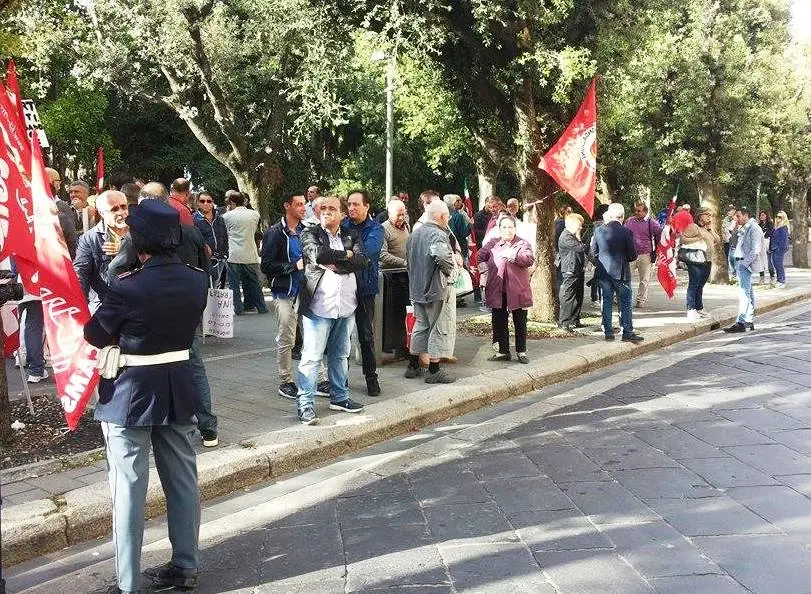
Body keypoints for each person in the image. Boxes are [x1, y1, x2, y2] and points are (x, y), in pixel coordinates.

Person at [84, 199, 208, 594]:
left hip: (131, 393)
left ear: (138, 239)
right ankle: (186, 567)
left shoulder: (126, 285)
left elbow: (95, 334)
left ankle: (128, 582)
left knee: (129, 491)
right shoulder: (195, 278)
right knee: (184, 482)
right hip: (177, 385)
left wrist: (117, 269)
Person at [105, 182, 216, 447]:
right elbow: (205, 268)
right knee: (193, 366)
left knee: (157, 368)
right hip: (187, 310)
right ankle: (207, 426)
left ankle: (161, 424)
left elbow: (114, 273)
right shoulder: (190, 232)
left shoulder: (138, 236)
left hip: (149, 316)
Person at [296, 196, 368, 425]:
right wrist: (346, 256)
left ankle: (340, 397)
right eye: (323, 208)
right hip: (319, 307)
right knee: (312, 357)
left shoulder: (351, 234)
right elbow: (317, 255)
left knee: (340, 355)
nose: (327, 212)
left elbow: (363, 261)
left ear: (342, 214)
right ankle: (305, 404)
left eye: (332, 208)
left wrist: (338, 261)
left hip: (346, 306)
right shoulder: (310, 233)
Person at [261, 194, 312, 400]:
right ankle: (286, 380)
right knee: (286, 336)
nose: (302, 208)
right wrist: (292, 266)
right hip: (283, 291)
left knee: (312, 334)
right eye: (298, 204)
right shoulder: (274, 233)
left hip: (305, 290)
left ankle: (320, 378)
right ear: (287, 206)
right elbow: (266, 266)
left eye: (303, 204)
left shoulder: (305, 230)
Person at [405, 200, 460, 383]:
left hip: (417, 288)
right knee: (438, 326)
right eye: (448, 217)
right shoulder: (438, 234)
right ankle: (434, 370)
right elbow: (443, 257)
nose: (448, 220)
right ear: (442, 216)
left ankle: (413, 365)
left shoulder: (414, 234)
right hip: (435, 289)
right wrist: (449, 270)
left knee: (421, 325)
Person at [340, 190, 384, 396]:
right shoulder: (342, 226)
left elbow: (368, 254)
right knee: (342, 336)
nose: (351, 208)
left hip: (365, 288)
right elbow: (334, 253)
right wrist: (348, 254)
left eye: (356, 204)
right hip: (343, 288)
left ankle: (371, 378)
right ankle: (342, 379)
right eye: (349, 204)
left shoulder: (375, 228)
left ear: (367, 206)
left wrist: (346, 254)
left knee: (366, 335)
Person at [478, 215, 535, 363]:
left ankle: (521, 351)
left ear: (515, 228)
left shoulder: (522, 243)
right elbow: (479, 256)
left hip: (518, 290)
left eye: (510, 227)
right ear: (499, 229)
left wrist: (514, 255)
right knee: (498, 320)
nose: (507, 230)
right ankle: (503, 351)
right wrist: (485, 270)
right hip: (498, 289)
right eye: (504, 227)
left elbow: (529, 259)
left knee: (520, 321)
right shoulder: (493, 243)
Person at [592, 203, 643, 343]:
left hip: (603, 272)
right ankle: (627, 331)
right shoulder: (626, 231)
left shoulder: (599, 230)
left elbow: (593, 252)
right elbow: (633, 255)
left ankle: (608, 332)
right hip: (620, 272)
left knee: (606, 301)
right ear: (622, 216)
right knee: (625, 302)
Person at [74, 190, 128, 310]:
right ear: (102, 213)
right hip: (105, 305)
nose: (121, 212)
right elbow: (80, 273)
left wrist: (126, 251)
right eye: (114, 209)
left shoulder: (139, 232)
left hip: (137, 304)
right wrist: (79, 308)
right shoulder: (89, 239)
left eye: (124, 207)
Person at [222, 191, 268, 315]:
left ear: (231, 202)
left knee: (234, 284)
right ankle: (261, 307)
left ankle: (238, 308)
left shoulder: (227, 216)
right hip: (249, 252)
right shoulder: (254, 214)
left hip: (234, 253)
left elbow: (225, 232)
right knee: (254, 283)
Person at [724, 207, 764, 333]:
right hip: (740, 261)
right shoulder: (744, 227)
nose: (736, 218)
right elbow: (734, 240)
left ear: (746, 215)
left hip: (744, 263)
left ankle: (741, 322)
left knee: (744, 293)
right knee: (748, 292)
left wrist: (744, 264)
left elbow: (755, 250)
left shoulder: (754, 228)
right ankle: (748, 320)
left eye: (739, 216)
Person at [380, 199, 410, 360]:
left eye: (403, 214)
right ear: (389, 213)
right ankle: (392, 347)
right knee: (393, 315)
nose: (401, 218)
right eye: (398, 215)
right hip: (391, 278)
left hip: (406, 276)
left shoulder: (407, 226)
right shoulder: (383, 229)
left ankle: (404, 345)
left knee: (405, 312)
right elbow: (382, 255)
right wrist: (404, 262)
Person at [676, 208, 718, 319]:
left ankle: (699, 307)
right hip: (695, 259)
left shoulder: (707, 228)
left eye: (710, 215)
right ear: (700, 215)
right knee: (694, 283)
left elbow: (717, 240)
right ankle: (691, 308)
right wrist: (698, 237)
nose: (709, 217)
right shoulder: (694, 227)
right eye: (706, 215)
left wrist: (710, 230)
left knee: (700, 285)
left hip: (707, 260)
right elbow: (683, 239)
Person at [624, 202, 662, 308]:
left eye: (639, 211)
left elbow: (660, 234)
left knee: (644, 279)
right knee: (625, 277)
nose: (636, 212)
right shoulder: (629, 221)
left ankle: (641, 300)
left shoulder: (652, 223)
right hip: (630, 254)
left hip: (645, 254)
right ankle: (623, 298)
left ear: (645, 212)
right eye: (635, 210)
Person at [557, 213, 586, 332]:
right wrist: (580, 238)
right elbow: (580, 247)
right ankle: (564, 323)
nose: (581, 228)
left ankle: (575, 320)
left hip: (577, 269)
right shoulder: (566, 236)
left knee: (578, 296)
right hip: (570, 269)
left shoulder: (571, 235)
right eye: (579, 226)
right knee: (568, 296)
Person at [194, 191, 229, 285]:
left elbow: (225, 237)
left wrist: (225, 255)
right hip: (203, 261)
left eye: (209, 201)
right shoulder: (194, 219)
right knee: (204, 288)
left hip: (220, 259)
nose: (206, 203)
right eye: (202, 201)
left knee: (215, 288)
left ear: (212, 202)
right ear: (197, 203)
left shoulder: (220, 218)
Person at [769, 211, 790, 288]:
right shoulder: (776, 227)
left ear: (784, 218)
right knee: (776, 265)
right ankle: (779, 280)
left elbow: (783, 240)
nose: (778, 218)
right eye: (777, 216)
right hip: (774, 249)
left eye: (780, 217)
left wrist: (779, 249)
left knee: (779, 265)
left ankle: (782, 281)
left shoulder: (783, 227)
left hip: (779, 249)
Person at [757, 210, 775, 285]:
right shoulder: (759, 225)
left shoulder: (770, 224)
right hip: (760, 245)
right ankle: (762, 278)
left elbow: (770, 234)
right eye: (761, 215)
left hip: (768, 245)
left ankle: (772, 277)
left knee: (769, 262)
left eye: (763, 215)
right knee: (760, 262)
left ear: (767, 216)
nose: (761, 217)